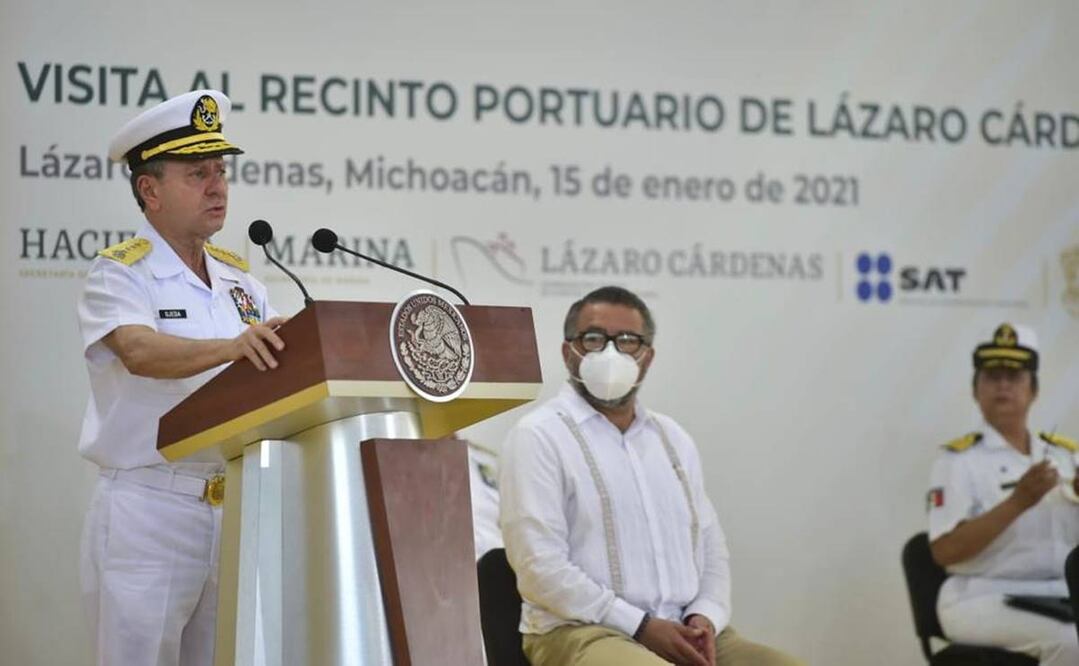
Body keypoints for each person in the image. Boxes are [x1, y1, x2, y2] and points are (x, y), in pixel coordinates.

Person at [77, 89, 288, 666]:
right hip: (148, 510)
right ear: (150, 190)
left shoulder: (243, 282)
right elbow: (139, 350)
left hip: (234, 509)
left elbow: (266, 375)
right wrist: (232, 347)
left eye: (220, 171)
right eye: (198, 174)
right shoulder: (120, 274)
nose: (218, 186)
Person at [499, 286, 802, 666]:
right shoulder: (538, 436)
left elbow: (710, 550)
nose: (610, 352)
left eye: (627, 341)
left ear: (647, 357)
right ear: (568, 351)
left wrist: (704, 616)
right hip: (582, 632)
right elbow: (539, 568)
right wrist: (641, 626)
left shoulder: (673, 439)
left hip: (684, 630)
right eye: (594, 339)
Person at [928, 323, 1079, 665]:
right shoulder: (958, 461)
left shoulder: (1065, 455)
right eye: (992, 376)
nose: (1003, 386)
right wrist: (1018, 502)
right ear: (975, 389)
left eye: (1015, 376)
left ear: (1034, 389)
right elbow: (944, 550)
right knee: (1072, 642)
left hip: (1060, 593)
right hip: (983, 596)